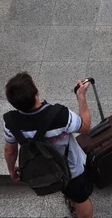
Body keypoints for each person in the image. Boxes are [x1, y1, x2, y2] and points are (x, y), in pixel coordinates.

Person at [3, 73, 93, 218]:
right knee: (81, 197)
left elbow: (10, 151)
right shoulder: (60, 115)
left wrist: (11, 169)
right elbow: (85, 127)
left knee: (66, 189)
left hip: (45, 169)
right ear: (36, 94)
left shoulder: (10, 122)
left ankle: (70, 201)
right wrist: (81, 97)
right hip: (71, 169)